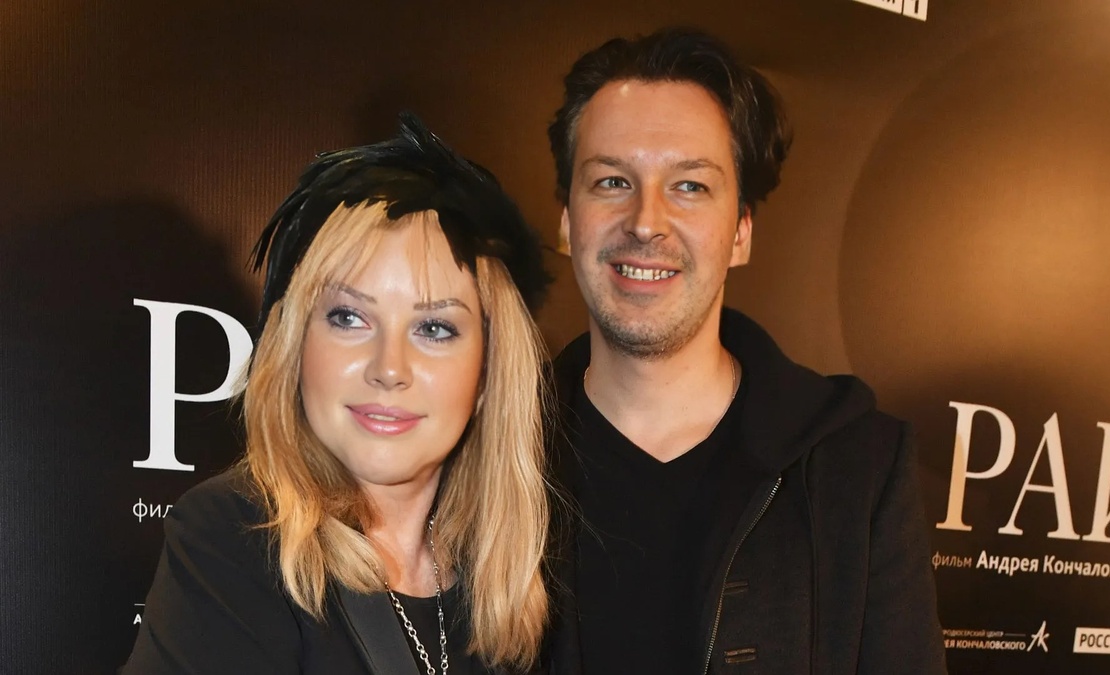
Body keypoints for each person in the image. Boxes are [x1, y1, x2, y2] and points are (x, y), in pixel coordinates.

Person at [544, 28, 947, 675]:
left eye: (690, 186)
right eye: (612, 180)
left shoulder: (857, 467)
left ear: (741, 232)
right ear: (567, 220)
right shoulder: (491, 455)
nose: (645, 221)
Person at [124, 113, 554, 675]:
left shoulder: (503, 585)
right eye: (349, 317)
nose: (389, 368)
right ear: (296, 346)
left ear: (488, 372)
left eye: (434, 328)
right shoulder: (233, 540)